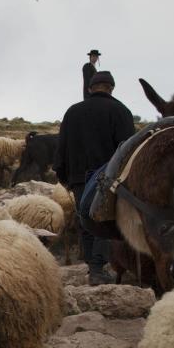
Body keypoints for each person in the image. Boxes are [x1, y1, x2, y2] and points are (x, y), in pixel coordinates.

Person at [54, 70, 135, 285]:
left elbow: (61, 146)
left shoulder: (73, 112)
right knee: (104, 220)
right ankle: (98, 269)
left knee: (85, 221)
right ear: (111, 88)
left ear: (90, 89)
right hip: (108, 177)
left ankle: (92, 265)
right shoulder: (121, 111)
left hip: (79, 176)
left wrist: (63, 175)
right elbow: (128, 150)